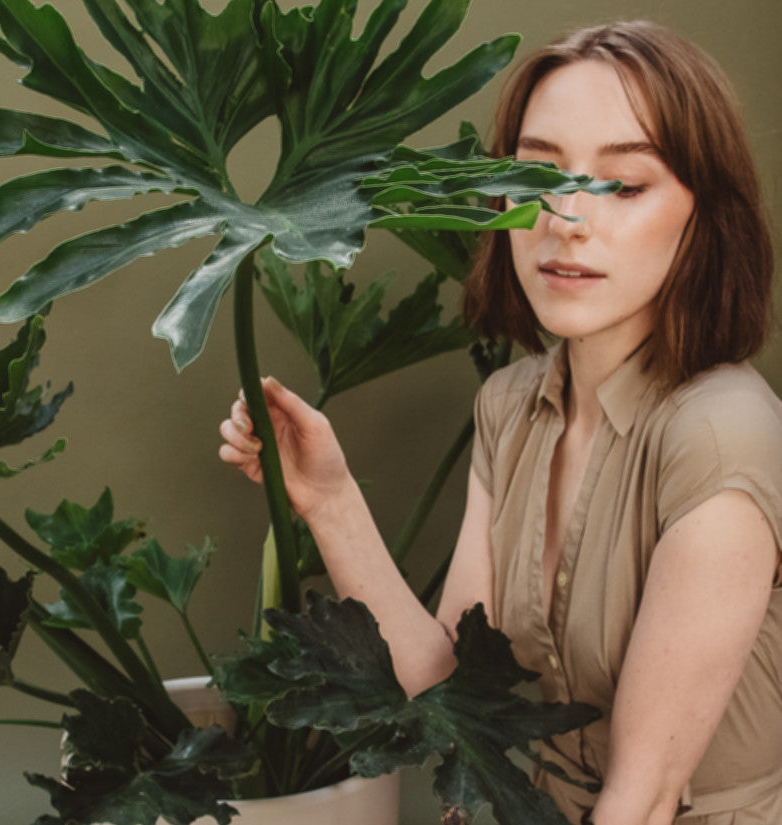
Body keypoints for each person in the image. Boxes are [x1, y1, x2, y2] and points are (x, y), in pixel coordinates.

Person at [219, 20, 782, 825]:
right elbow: (456, 691)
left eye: (623, 185)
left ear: (704, 215)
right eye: (536, 174)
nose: (565, 216)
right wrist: (329, 498)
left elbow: (642, 798)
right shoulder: (513, 403)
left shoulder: (723, 431)